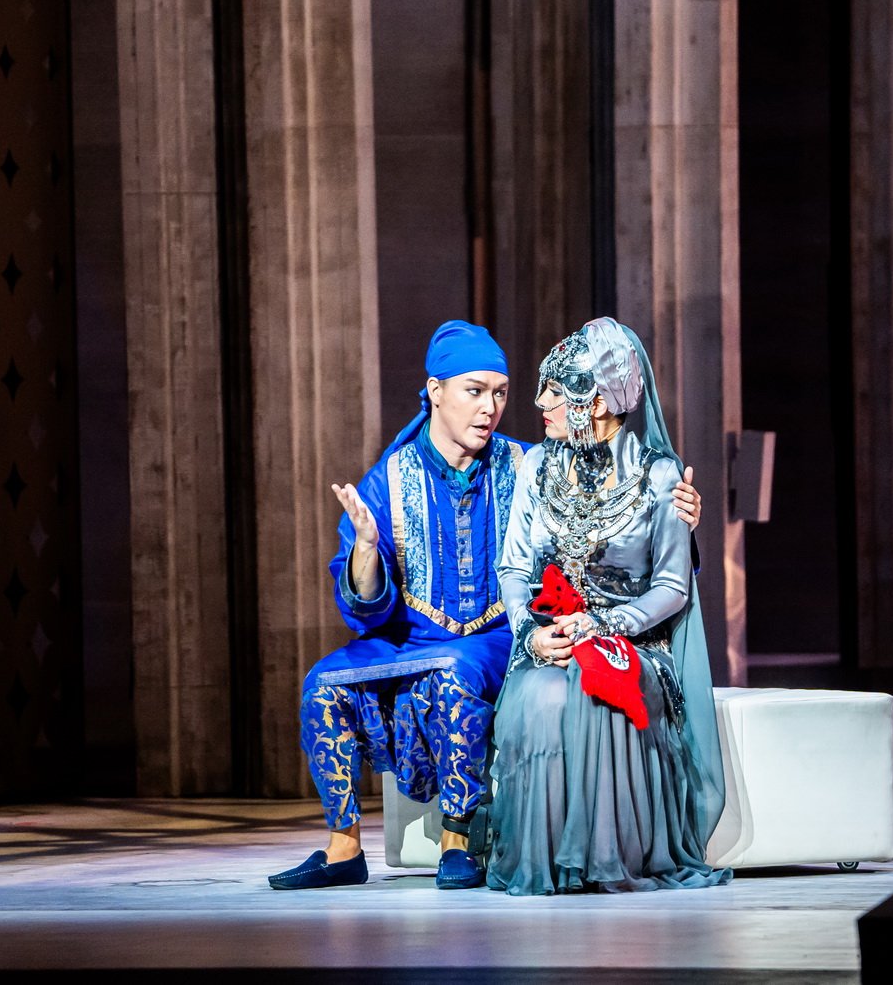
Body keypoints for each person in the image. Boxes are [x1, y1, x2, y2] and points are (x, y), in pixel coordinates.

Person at [268, 319, 701, 891]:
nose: (490, 408)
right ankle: (343, 845)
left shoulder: (526, 463)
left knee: (455, 671)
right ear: (435, 390)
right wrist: (367, 550)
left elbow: (611, 529)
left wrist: (680, 514)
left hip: (495, 635)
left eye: (499, 393)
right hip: (411, 636)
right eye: (474, 391)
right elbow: (367, 610)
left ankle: (457, 840)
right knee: (322, 683)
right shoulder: (389, 479)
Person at [486, 317, 731, 894]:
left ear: (595, 402)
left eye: (554, 391)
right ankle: (548, 861)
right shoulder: (536, 467)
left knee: (597, 688)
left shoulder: (659, 479)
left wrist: (603, 625)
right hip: (552, 641)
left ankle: (605, 855)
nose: (539, 403)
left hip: (633, 643)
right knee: (541, 696)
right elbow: (514, 568)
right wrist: (530, 633)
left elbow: (672, 586)